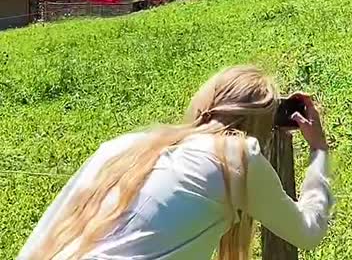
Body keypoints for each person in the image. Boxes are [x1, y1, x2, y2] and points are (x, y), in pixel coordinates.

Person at [17, 65, 333, 260]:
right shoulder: (237, 157)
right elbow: (307, 231)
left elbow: (43, 237)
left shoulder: (121, 147)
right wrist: (319, 151)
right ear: (263, 121)